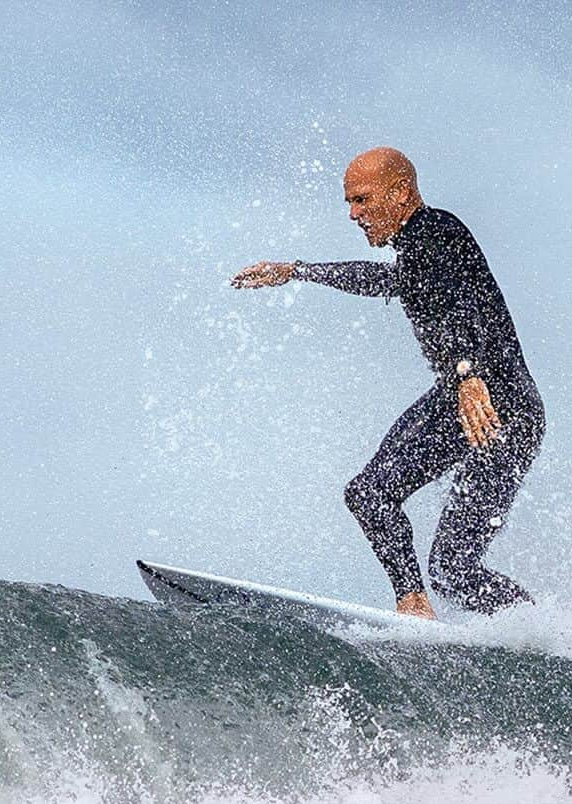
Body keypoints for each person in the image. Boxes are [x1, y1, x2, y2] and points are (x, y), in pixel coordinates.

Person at [230, 148, 545, 619]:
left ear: (400, 193)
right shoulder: (417, 251)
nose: (354, 215)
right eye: (349, 204)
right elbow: (380, 279)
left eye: (362, 200)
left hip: (498, 408)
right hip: (479, 401)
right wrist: (297, 271)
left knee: (404, 523)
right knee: (421, 540)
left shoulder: (436, 232)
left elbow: (455, 302)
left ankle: (455, 615)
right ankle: (501, 621)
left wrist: (467, 373)